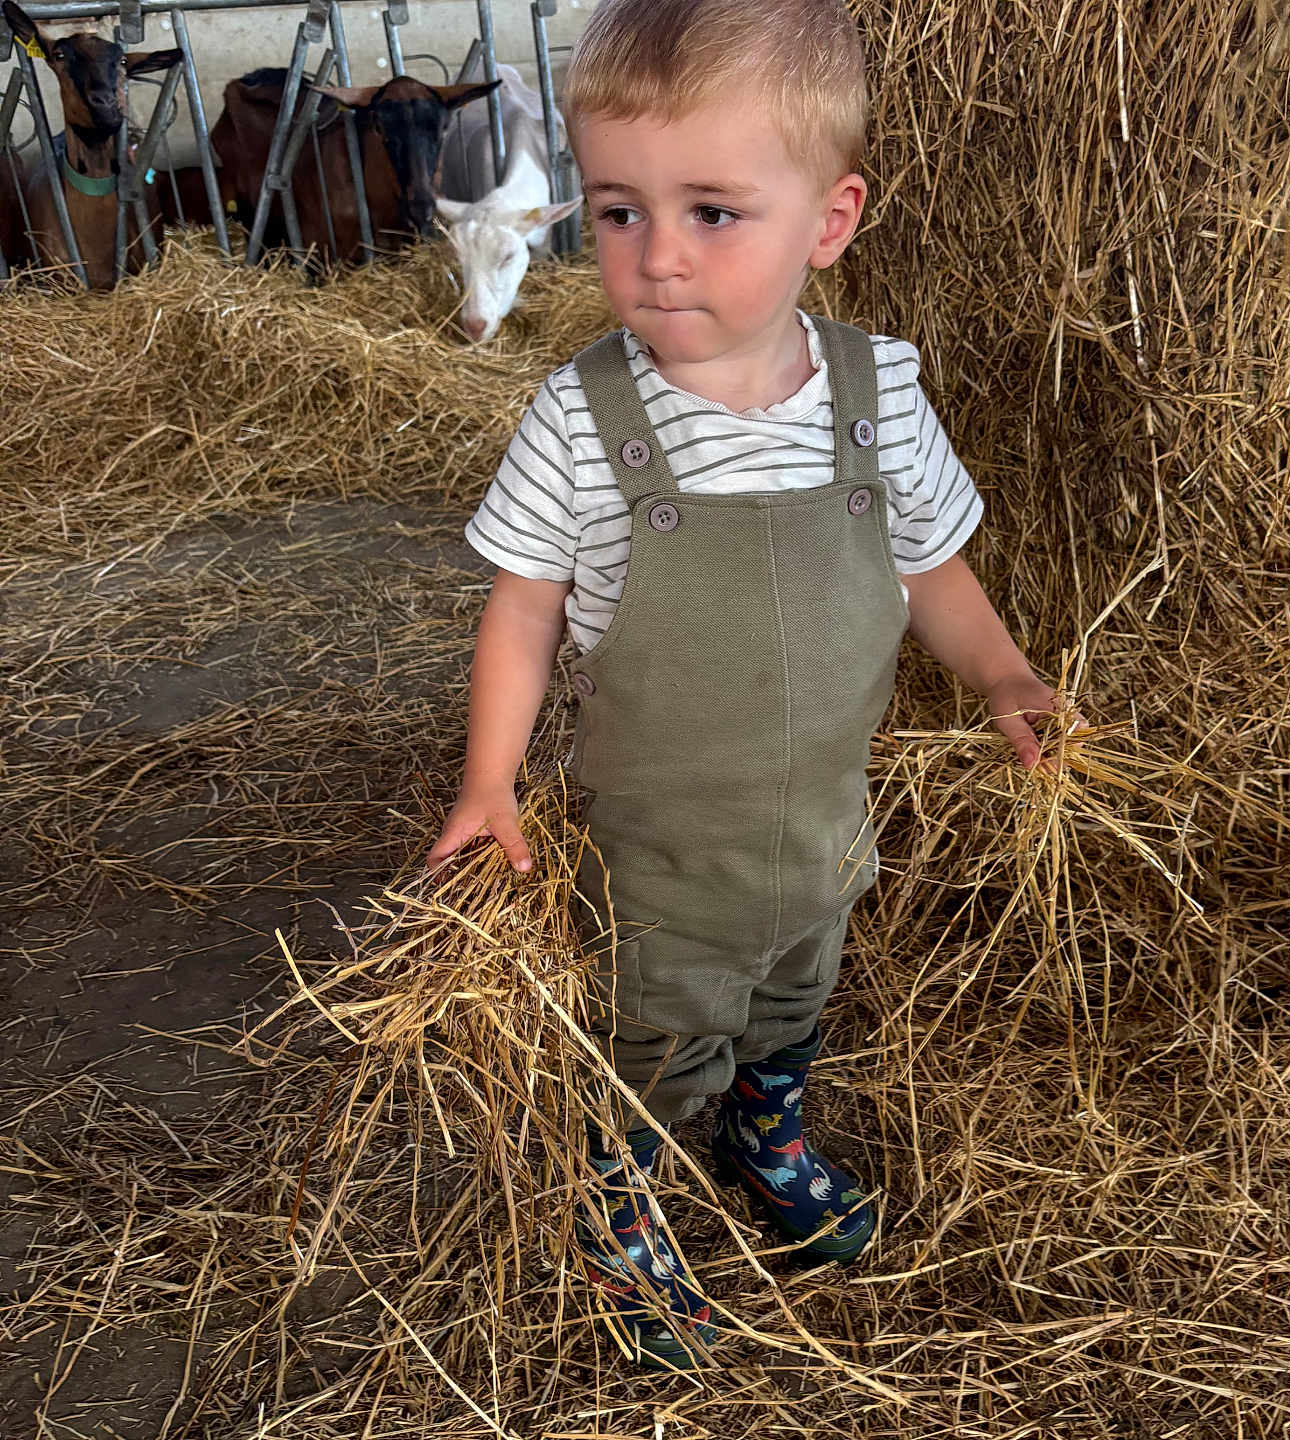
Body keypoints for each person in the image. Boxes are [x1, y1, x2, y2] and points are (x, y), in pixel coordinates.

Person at [427, 0, 1078, 1369]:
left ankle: (764, 1129)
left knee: (794, 988)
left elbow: (930, 566)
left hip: (820, 826)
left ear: (829, 221)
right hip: (658, 850)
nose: (657, 256)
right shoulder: (583, 417)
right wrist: (490, 782)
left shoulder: (877, 396)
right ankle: (617, 1191)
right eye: (619, 212)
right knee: (654, 1029)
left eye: (712, 212)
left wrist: (1004, 672)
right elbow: (523, 613)